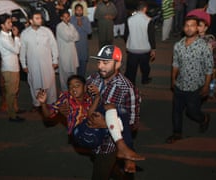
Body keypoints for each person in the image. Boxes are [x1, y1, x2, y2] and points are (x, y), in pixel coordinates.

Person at [37, 74, 144, 161]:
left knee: (119, 111)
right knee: (113, 124)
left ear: (84, 87)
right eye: (70, 86)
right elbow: (48, 115)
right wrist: (43, 104)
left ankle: (124, 150)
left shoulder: (89, 98)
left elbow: (91, 114)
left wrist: (97, 97)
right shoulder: (65, 98)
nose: (73, 89)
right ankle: (122, 148)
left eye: (76, 85)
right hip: (79, 133)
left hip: (91, 129)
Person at [87, 45, 143, 179]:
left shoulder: (127, 89)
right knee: (110, 169)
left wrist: (106, 125)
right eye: (99, 62)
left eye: (106, 62)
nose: (100, 66)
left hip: (110, 145)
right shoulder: (92, 79)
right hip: (92, 139)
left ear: (118, 64)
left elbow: (132, 124)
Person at [166, 15, 213, 144]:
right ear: (183, 28)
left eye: (192, 25)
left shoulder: (204, 46)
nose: (189, 28)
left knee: (192, 112)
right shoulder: (178, 45)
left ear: (197, 28)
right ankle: (177, 133)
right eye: (186, 25)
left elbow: (209, 68)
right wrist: (173, 80)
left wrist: (206, 86)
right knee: (176, 111)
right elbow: (175, 63)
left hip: (195, 87)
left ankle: (204, 119)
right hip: (180, 85)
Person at [20, 10, 59, 112]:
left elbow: (54, 46)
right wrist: (24, 64)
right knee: (35, 83)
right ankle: (36, 104)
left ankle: (51, 102)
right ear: (31, 21)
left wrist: (55, 59)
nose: (40, 20)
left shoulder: (47, 31)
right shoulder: (25, 34)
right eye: (37, 18)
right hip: (33, 65)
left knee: (49, 83)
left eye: (40, 18)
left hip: (47, 63)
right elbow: (22, 50)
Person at [0, 14, 25, 122]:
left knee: (14, 90)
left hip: (13, 66)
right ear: (2, 25)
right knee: (11, 92)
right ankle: (12, 115)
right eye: (8, 23)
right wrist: (17, 36)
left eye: (10, 22)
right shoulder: (3, 38)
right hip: (9, 68)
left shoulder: (7, 34)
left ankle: (15, 109)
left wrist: (14, 36)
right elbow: (16, 50)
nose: (11, 24)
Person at [124, 1, 156, 85]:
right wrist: (153, 49)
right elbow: (151, 37)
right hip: (144, 49)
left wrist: (128, 43)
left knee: (131, 69)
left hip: (132, 49)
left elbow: (126, 34)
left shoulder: (129, 19)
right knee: (145, 67)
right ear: (145, 8)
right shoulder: (149, 20)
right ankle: (145, 79)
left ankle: (131, 83)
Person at [56, 10, 79, 91]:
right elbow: (67, 38)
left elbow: (77, 37)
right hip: (64, 53)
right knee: (64, 74)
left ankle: (73, 89)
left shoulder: (71, 25)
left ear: (69, 17)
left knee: (73, 72)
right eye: (64, 17)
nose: (66, 18)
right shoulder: (59, 26)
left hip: (72, 52)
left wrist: (71, 36)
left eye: (67, 17)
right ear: (61, 18)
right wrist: (72, 36)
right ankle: (65, 92)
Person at [70, 3, 92, 77]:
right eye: (77, 10)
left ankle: (81, 79)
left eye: (80, 10)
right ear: (74, 11)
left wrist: (81, 25)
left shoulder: (85, 19)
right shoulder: (71, 19)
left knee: (83, 63)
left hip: (83, 45)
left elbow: (89, 31)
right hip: (74, 46)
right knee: (74, 64)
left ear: (83, 11)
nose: (79, 12)